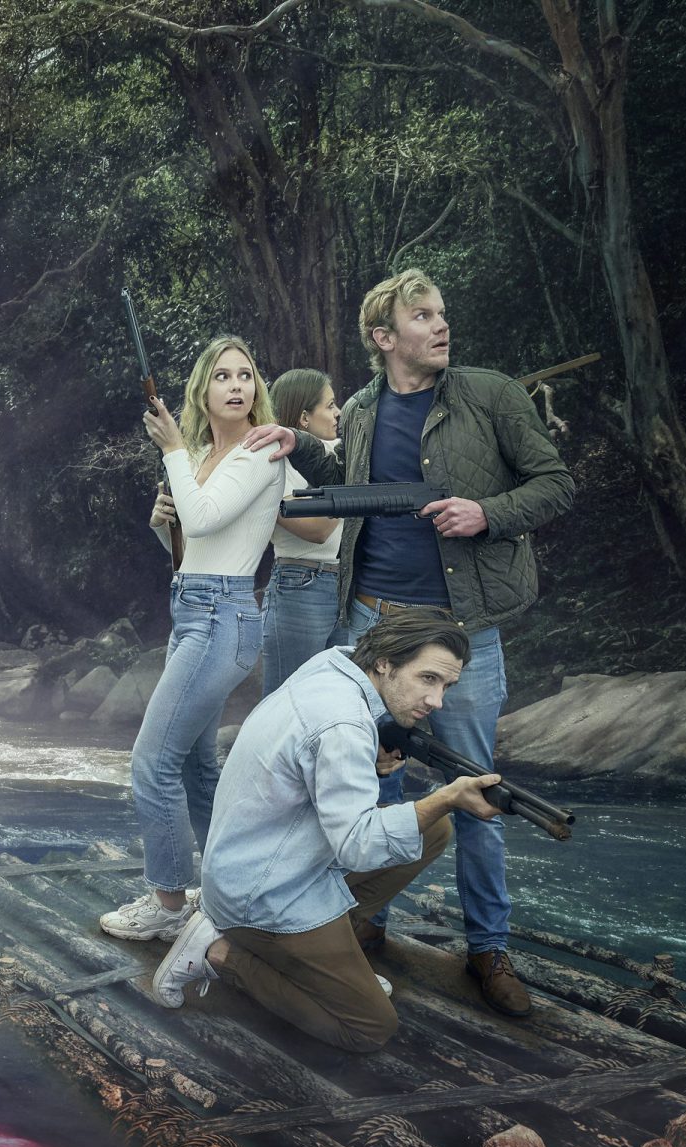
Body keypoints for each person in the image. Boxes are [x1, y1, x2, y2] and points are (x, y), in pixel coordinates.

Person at [244, 270, 573, 1017]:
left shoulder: (490, 395)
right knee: (374, 779)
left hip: (461, 633)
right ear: (384, 338)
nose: (440, 325)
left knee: (476, 791)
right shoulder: (359, 409)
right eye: (421, 316)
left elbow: (555, 483)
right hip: (369, 625)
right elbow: (344, 479)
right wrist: (297, 438)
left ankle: (489, 949)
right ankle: (367, 922)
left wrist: (487, 513)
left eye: (442, 314)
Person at [149, 607, 505, 1052]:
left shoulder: (332, 668)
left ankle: (329, 957)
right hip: (263, 895)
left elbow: (309, 768)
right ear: (385, 663)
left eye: (446, 686)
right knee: (369, 1028)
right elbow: (358, 848)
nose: (437, 702)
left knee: (434, 831)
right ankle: (216, 952)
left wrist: (371, 766)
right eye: (428, 679)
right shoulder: (344, 725)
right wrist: (447, 796)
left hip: (256, 861)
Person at [100, 337, 285, 943]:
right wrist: (163, 528)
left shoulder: (260, 454)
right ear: (202, 389)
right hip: (194, 610)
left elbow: (206, 520)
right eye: (224, 375)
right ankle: (230, 889)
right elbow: (192, 550)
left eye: (247, 375)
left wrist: (174, 451)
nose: (238, 386)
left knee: (152, 764)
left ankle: (169, 903)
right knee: (200, 768)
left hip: (223, 618)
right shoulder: (205, 454)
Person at [260, 369, 344, 695]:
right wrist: (351, 488)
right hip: (300, 585)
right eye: (330, 405)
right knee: (288, 701)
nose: (338, 413)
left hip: (349, 587)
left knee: (337, 701)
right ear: (304, 418)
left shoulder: (340, 453)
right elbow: (317, 529)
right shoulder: (274, 461)